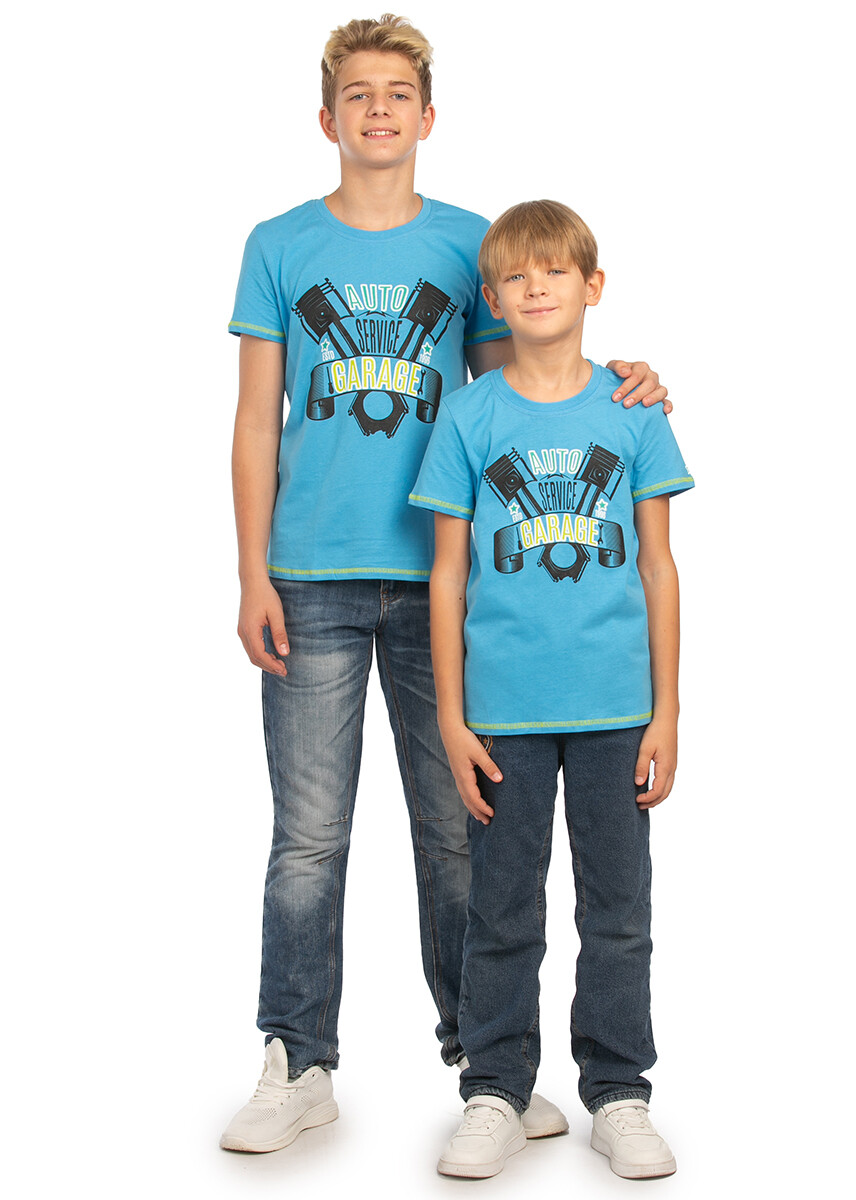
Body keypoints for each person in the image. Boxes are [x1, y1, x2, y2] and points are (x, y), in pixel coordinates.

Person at [222, 14, 671, 1155]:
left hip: (450, 593)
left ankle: (488, 1068)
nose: (377, 109)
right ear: (326, 118)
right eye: (357, 94)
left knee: (461, 833)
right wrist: (250, 569)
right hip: (310, 575)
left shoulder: (473, 245)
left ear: (429, 116)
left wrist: (623, 379)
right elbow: (256, 419)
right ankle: (297, 1061)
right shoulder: (278, 243)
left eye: (397, 93)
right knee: (308, 837)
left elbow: (522, 397)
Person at [411, 199, 693, 1179]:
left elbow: (658, 566)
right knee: (501, 911)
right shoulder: (469, 415)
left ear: (592, 286)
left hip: (617, 709)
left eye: (555, 271)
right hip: (503, 712)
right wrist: (450, 716)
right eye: (516, 276)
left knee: (618, 912)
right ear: (492, 300)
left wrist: (668, 708)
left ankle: (619, 1093)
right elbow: (447, 573)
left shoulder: (633, 410)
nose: (536, 287)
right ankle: (494, 1088)